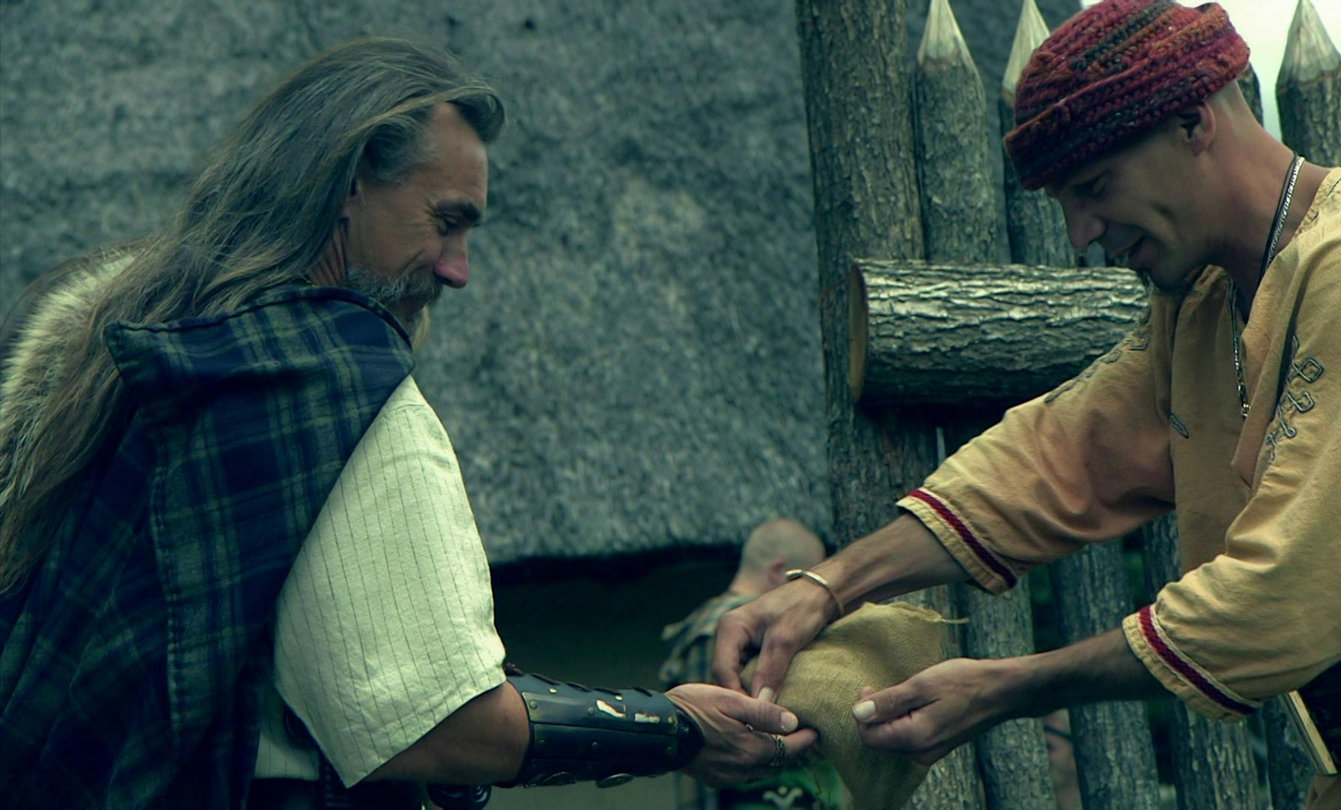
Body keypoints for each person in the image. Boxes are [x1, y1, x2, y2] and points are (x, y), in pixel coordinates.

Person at [0, 37, 816, 809]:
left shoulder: (137, 367)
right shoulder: (327, 380)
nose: (458, 270)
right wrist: (674, 729)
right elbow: (431, 722)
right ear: (347, 184)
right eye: (445, 221)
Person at [712, 1, 1341, 808]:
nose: (1082, 234)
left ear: (1193, 123)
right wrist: (828, 584)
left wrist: (1007, 688)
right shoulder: (1205, 303)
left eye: (1094, 187)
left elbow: (1289, 597)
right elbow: (1057, 456)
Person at [659, 518, 845, 810]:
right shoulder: (729, 632)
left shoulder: (706, 627)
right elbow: (706, 745)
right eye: (806, 584)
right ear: (779, 572)